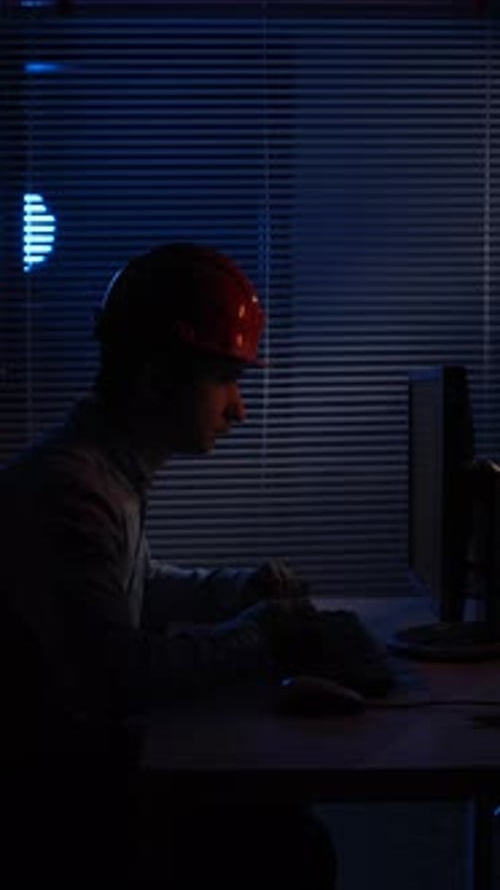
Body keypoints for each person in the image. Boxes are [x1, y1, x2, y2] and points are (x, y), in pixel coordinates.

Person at [0, 242, 337, 888]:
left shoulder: (103, 475)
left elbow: (139, 586)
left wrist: (241, 591)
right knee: (292, 845)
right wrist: (261, 636)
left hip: (74, 773)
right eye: (224, 379)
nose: (238, 408)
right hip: (56, 809)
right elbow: (115, 675)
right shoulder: (71, 494)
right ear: (156, 379)